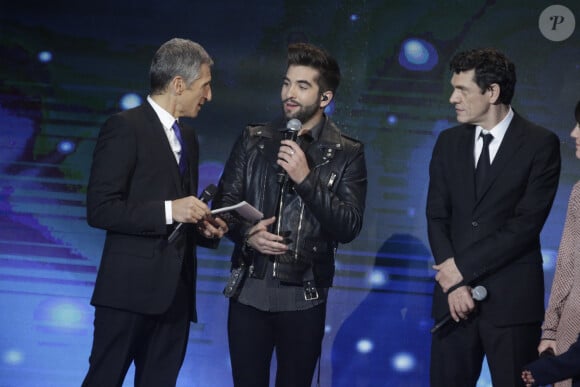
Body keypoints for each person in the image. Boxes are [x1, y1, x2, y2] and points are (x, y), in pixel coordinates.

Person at [213, 42, 367, 387]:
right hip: (249, 291)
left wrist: (307, 180)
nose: (290, 93)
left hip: (304, 297)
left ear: (325, 98)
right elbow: (225, 205)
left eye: (302, 85)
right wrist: (247, 234)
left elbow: (349, 225)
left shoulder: (348, 153)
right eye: (286, 83)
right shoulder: (255, 139)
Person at [82, 38, 228, 387]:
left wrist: (202, 226)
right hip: (127, 293)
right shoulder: (124, 127)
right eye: (205, 86)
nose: (208, 96)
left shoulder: (189, 137)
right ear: (179, 84)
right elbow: (101, 209)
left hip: (175, 297)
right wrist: (170, 210)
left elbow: (179, 211)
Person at [426, 47, 561, 386]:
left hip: (511, 305)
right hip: (453, 305)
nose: (452, 98)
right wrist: (454, 281)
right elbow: (436, 216)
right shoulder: (448, 142)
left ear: (492, 92)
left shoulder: (540, 144)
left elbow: (525, 225)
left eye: (462, 90)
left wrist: (461, 269)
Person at [521, 100, 580, 387]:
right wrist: (551, 331)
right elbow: (567, 264)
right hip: (573, 328)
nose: (573, 133)